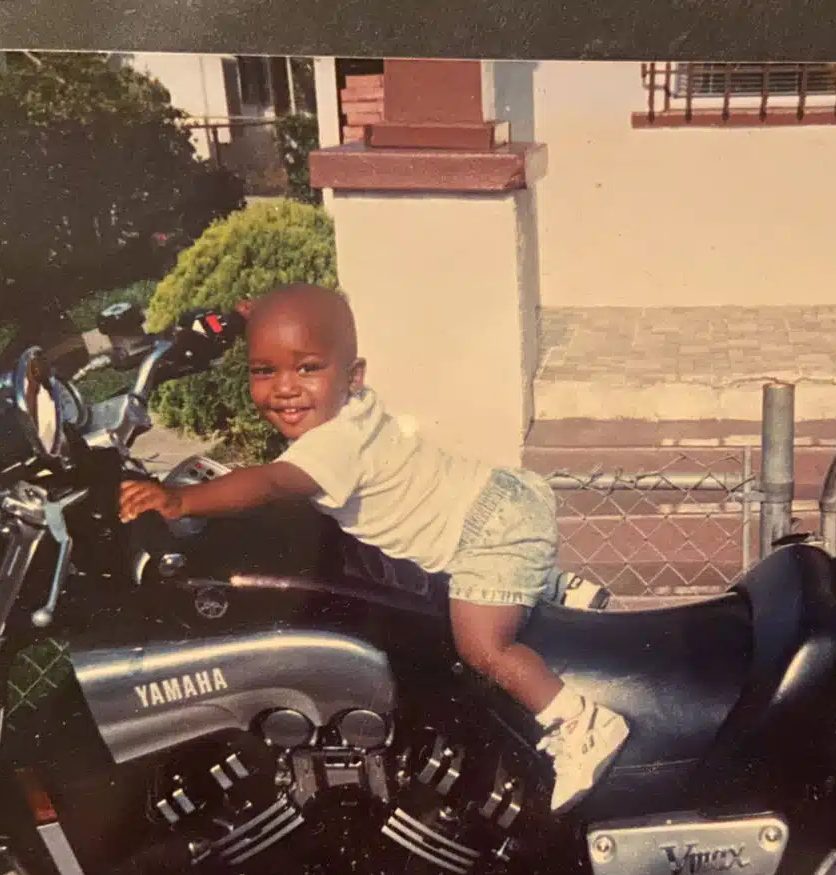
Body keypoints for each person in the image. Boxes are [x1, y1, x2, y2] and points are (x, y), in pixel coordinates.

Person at [120, 284, 630, 813]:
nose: (286, 388)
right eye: (264, 370)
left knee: (481, 647)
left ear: (354, 375)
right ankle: (555, 586)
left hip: (487, 534)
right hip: (498, 498)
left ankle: (582, 724)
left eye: (307, 368)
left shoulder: (331, 446)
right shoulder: (354, 412)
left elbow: (271, 482)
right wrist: (251, 317)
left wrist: (181, 501)